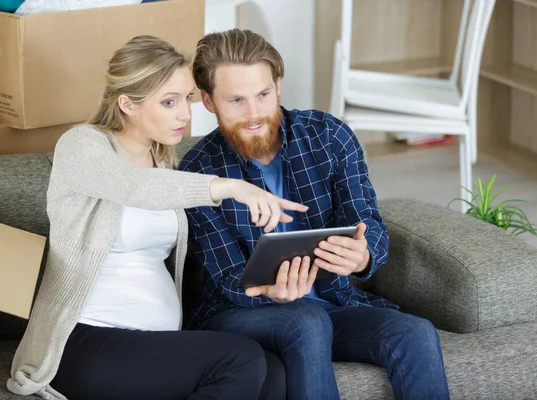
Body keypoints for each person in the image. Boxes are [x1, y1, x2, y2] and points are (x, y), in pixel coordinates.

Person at [6, 35, 309, 400]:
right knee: (240, 360)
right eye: (169, 102)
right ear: (127, 104)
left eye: (187, 99)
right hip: (83, 342)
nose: (185, 114)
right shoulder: (82, 145)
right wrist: (233, 188)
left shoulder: (166, 163)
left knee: (272, 371)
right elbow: (135, 187)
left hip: (152, 347)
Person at [179, 28, 451, 400]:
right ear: (209, 101)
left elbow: (367, 221)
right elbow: (227, 278)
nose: (255, 113)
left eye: (263, 94)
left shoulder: (330, 137)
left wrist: (363, 254)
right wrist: (271, 294)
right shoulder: (197, 172)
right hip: (239, 313)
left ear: (278, 84)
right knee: (305, 321)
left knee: (415, 332)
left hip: (332, 306)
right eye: (236, 101)